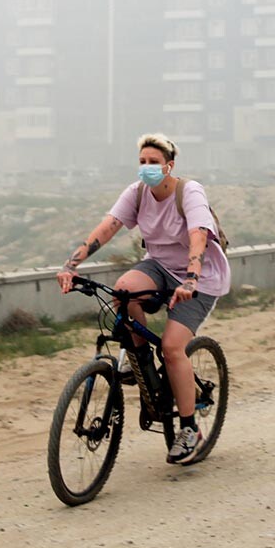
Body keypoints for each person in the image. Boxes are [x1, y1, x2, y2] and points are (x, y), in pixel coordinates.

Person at [57, 133, 230, 464]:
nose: (147, 168)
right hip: (160, 266)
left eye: (154, 162)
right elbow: (108, 227)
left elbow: (198, 236)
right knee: (123, 290)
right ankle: (139, 361)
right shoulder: (137, 193)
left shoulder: (188, 191)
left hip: (199, 278)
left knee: (171, 346)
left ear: (169, 166)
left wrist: (191, 278)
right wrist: (71, 264)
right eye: (142, 162)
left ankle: (190, 429)